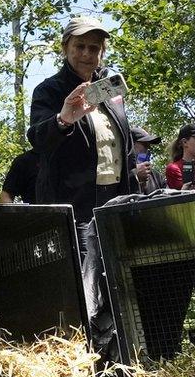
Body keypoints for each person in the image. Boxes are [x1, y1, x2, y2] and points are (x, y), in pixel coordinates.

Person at [27, 15, 135, 257]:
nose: (87, 53)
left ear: (102, 52)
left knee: (118, 277)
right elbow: (37, 139)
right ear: (65, 47)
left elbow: (124, 148)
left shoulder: (110, 89)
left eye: (94, 48)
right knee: (85, 279)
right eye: (80, 46)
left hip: (117, 202)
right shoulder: (49, 90)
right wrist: (63, 119)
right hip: (75, 206)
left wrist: (135, 198)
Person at [131, 126, 166, 193]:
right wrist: (135, 177)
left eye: (149, 146)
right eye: (145, 145)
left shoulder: (157, 177)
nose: (148, 149)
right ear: (130, 145)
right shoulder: (120, 177)